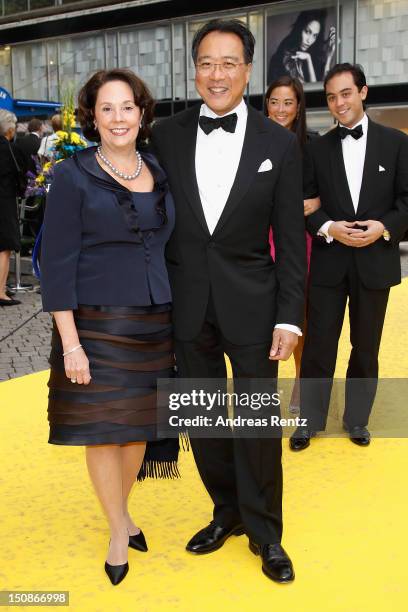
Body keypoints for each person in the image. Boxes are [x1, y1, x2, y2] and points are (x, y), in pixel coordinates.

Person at [152, 19, 306, 583]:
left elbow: (291, 239)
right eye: (207, 64)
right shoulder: (164, 136)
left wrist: (291, 317)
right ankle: (226, 512)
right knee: (204, 417)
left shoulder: (277, 142)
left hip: (256, 306)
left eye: (228, 63)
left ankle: (266, 532)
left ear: (246, 70)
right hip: (187, 304)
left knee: (258, 424)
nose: (216, 75)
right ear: (195, 70)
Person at [40, 68, 178, 586]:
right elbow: (56, 262)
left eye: (127, 107)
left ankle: (123, 512)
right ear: (91, 118)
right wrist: (70, 344)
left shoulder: (159, 171)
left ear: (141, 114)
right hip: (95, 325)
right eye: (107, 108)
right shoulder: (73, 175)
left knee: (137, 428)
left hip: (153, 320)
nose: (118, 118)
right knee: (103, 433)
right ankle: (119, 529)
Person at [290, 63, 408, 451]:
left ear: (363, 92)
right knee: (320, 345)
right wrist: (329, 228)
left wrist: (383, 227)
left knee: (366, 346)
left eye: (345, 93)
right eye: (331, 97)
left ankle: (357, 420)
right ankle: (309, 421)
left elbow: (406, 202)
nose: (339, 103)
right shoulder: (316, 149)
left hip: (376, 261)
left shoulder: (397, 143)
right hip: (328, 262)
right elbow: (308, 205)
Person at [264, 75, 320, 412]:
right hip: (257, 238)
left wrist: (318, 200)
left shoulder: (312, 146)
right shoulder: (252, 141)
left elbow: (331, 186)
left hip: (299, 241)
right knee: (261, 314)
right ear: (266, 105)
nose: (281, 109)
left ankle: (301, 382)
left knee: (298, 314)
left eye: (288, 102)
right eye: (274, 101)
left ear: (298, 107)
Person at [267, 10, 336, 85]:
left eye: (314, 36)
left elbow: (321, 90)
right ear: (299, 28)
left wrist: (329, 57)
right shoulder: (282, 56)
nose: (309, 40)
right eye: (307, 32)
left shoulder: (315, 55)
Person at [0, 109, 24, 307]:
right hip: (4, 203)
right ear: (8, 130)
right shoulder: (9, 149)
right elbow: (20, 176)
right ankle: (0, 292)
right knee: (4, 248)